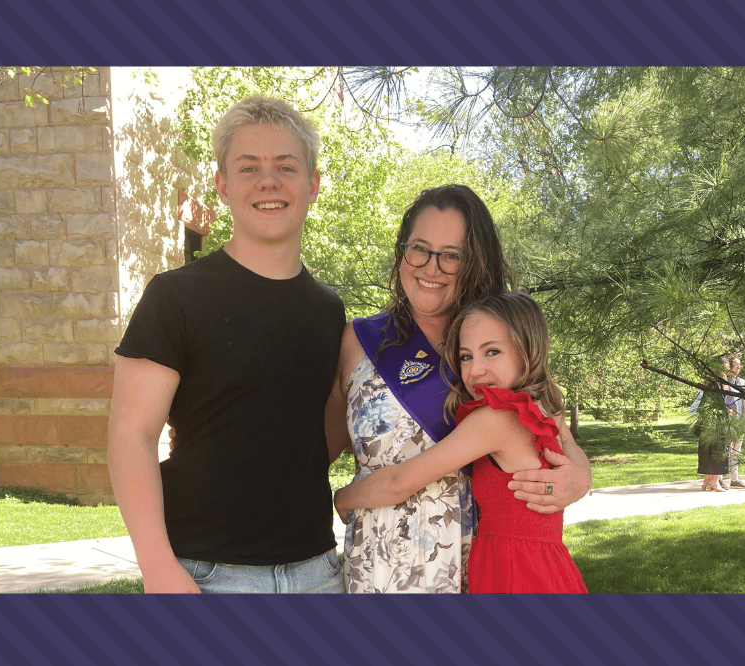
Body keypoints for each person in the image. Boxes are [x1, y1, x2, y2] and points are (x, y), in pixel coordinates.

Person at [108, 96, 346, 593]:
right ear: (222, 185)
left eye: (286, 166)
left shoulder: (328, 311)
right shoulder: (175, 295)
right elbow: (130, 436)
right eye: (249, 167)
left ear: (313, 186)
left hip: (319, 572)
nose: (269, 181)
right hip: (207, 575)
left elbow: (316, 438)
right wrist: (157, 568)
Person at [325, 184, 591, 593]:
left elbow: (558, 437)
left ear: (475, 264)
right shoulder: (358, 340)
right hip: (383, 569)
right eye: (419, 249)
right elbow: (317, 451)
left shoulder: (498, 339)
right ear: (401, 252)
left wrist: (580, 478)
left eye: (451, 256)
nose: (431, 268)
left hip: (484, 568)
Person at [334, 292, 588, 593]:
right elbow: (571, 448)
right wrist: (582, 476)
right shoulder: (545, 407)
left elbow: (399, 482)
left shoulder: (494, 420)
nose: (475, 371)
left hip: (514, 573)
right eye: (466, 356)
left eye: (492, 352)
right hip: (550, 566)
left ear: (527, 350)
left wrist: (342, 499)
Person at [689, 355, 735, 492]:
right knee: (718, 450)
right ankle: (714, 482)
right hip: (717, 421)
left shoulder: (708, 381)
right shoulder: (718, 383)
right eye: (726, 366)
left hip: (707, 421)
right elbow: (720, 404)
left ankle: (707, 481)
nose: (728, 368)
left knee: (707, 451)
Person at [725, 354, 745, 489]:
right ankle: (723, 478)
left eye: (739, 365)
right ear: (728, 366)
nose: (738, 367)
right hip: (729, 420)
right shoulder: (725, 382)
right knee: (726, 449)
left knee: (737, 449)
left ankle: (734, 479)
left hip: (741, 419)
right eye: (735, 365)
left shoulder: (742, 382)